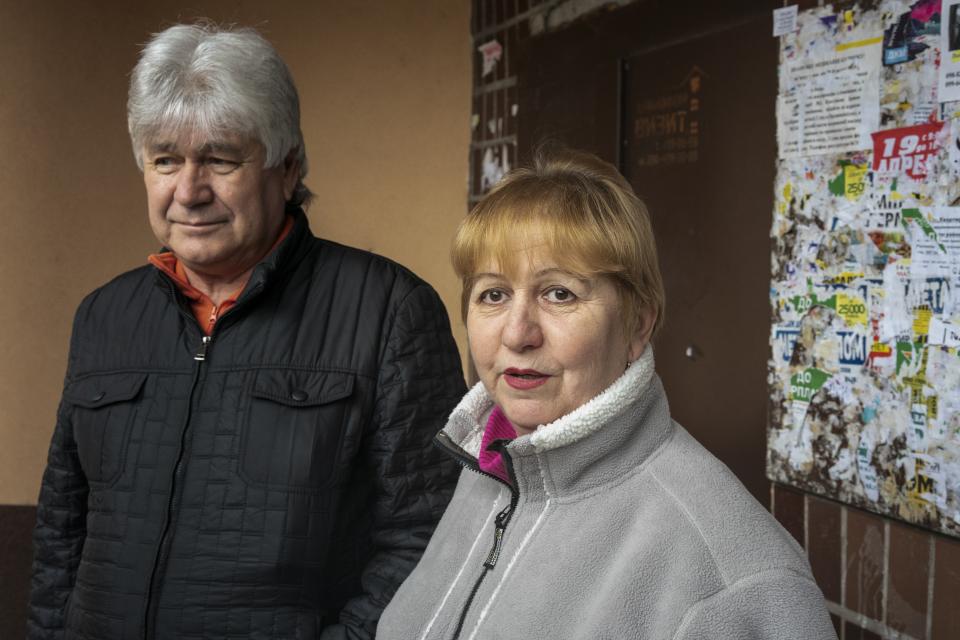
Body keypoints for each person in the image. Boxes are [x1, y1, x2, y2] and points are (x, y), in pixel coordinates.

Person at [28, 23, 465, 640]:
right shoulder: (103, 315)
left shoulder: (390, 309)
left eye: (219, 159)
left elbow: (430, 536)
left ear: (287, 169)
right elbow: (60, 531)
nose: (188, 191)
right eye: (165, 160)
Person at [377, 149, 837, 639]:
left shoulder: (737, 576)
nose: (517, 333)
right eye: (493, 294)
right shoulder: (489, 466)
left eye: (560, 294)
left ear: (638, 324)